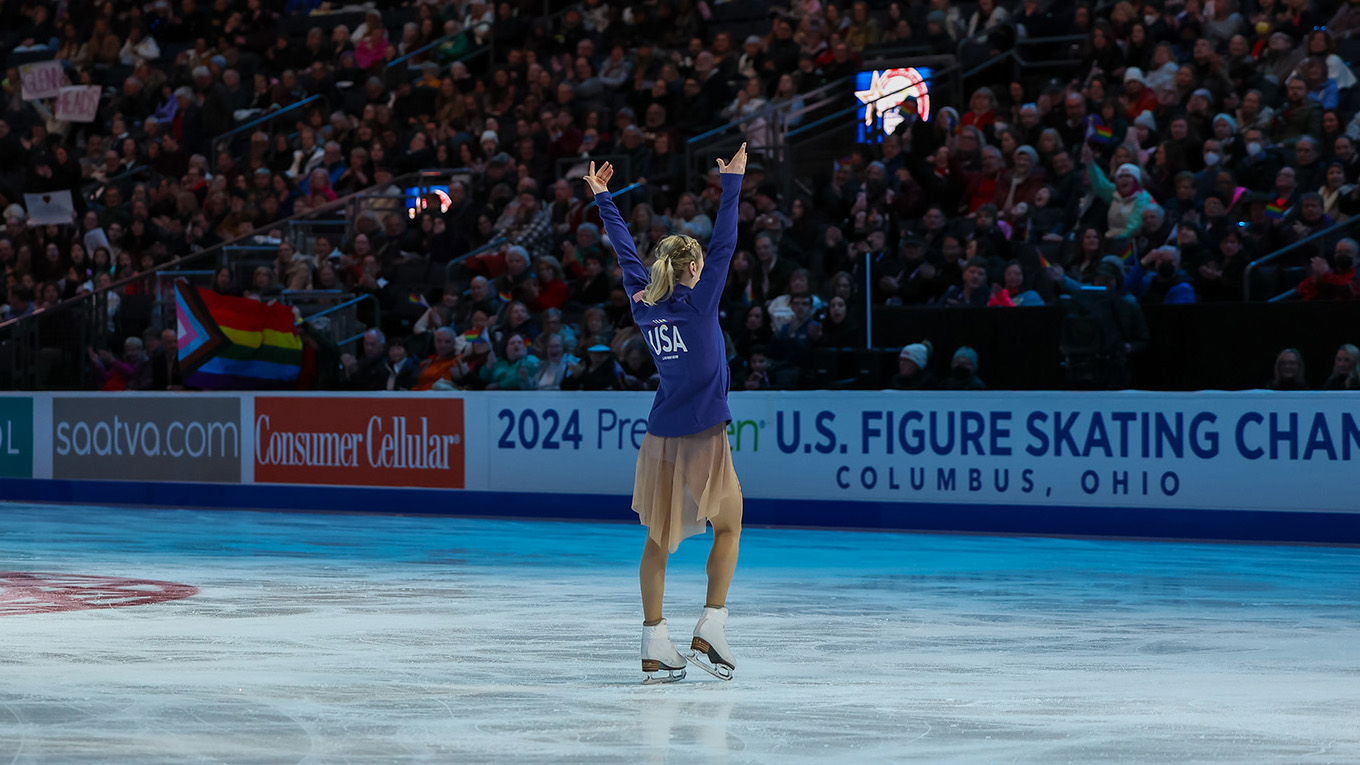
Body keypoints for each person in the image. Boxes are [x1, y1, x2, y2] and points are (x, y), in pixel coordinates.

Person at [586, 147, 746, 685]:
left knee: (657, 542)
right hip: (703, 434)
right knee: (730, 525)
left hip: (659, 437)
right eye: (701, 263)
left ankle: (655, 641)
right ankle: (711, 625)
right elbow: (726, 241)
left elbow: (624, 251)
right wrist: (732, 184)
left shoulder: (642, 301)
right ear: (694, 268)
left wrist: (604, 197)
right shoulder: (700, 302)